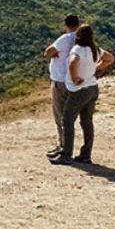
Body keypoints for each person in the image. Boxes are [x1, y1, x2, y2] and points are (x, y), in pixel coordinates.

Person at [50, 24, 114, 165]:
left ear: (78, 36)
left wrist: (75, 78)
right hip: (92, 87)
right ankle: (86, 154)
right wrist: (96, 68)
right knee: (86, 122)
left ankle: (66, 154)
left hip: (79, 90)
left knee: (67, 120)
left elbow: (73, 63)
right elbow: (110, 58)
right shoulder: (95, 49)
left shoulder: (77, 49)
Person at [43, 14, 80, 159]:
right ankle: (67, 146)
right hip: (75, 81)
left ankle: (63, 147)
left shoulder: (65, 38)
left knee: (60, 115)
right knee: (70, 116)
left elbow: (47, 53)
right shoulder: (81, 39)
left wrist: (54, 54)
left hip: (60, 81)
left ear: (66, 25)